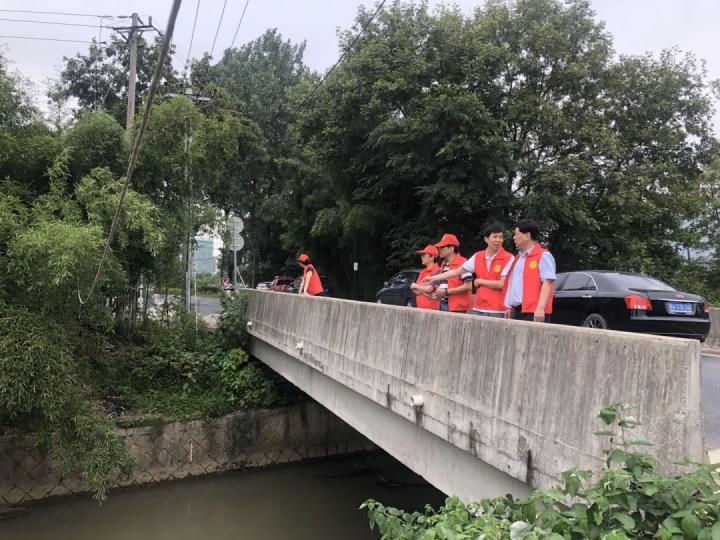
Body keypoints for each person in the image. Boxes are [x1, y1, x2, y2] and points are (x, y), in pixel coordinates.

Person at [425, 222, 514, 318]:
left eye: (500, 237)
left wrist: (479, 281)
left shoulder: (508, 258)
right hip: (479, 308)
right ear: (486, 239)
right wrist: (433, 278)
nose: (498, 240)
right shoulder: (478, 256)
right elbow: (456, 272)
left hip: (497, 309)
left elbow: (501, 284)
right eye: (495, 237)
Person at [503, 219, 556, 322]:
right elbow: (514, 284)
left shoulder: (543, 255)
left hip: (534, 313)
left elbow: (548, 282)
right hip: (517, 311)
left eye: (516, 234)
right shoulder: (518, 258)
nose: (514, 238)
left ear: (527, 236)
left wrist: (540, 308)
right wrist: (509, 306)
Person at [430, 233, 472, 313]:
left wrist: (446, 291)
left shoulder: (463, 262)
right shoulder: (444, 263)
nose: (439, 249)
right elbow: (444, 285)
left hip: (458, 308)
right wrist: (437, 292)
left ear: (451, 248)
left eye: (442, 247)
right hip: (443, 304)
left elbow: (468, 286)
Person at [409, 244, 440, 310]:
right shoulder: (422, 271)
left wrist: (418, 287)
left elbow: (430, 289)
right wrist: (424, 288)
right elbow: (414, 289)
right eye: (421, 255)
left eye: (423, 255)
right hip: (420, 307)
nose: (421, 257)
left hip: (431, 309)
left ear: (432, 257)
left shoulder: (437, 270)